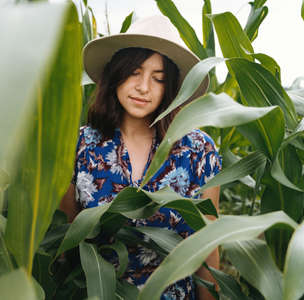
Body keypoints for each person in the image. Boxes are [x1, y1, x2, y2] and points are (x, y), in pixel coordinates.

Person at [60, 15, 221, 300]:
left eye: (158, 78)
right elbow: (66, 240)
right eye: (134, 72)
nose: (143, 87)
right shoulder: (79, 145)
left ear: (171, 88)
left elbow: (206, 251)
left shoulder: (199, 152)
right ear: (115, 75)